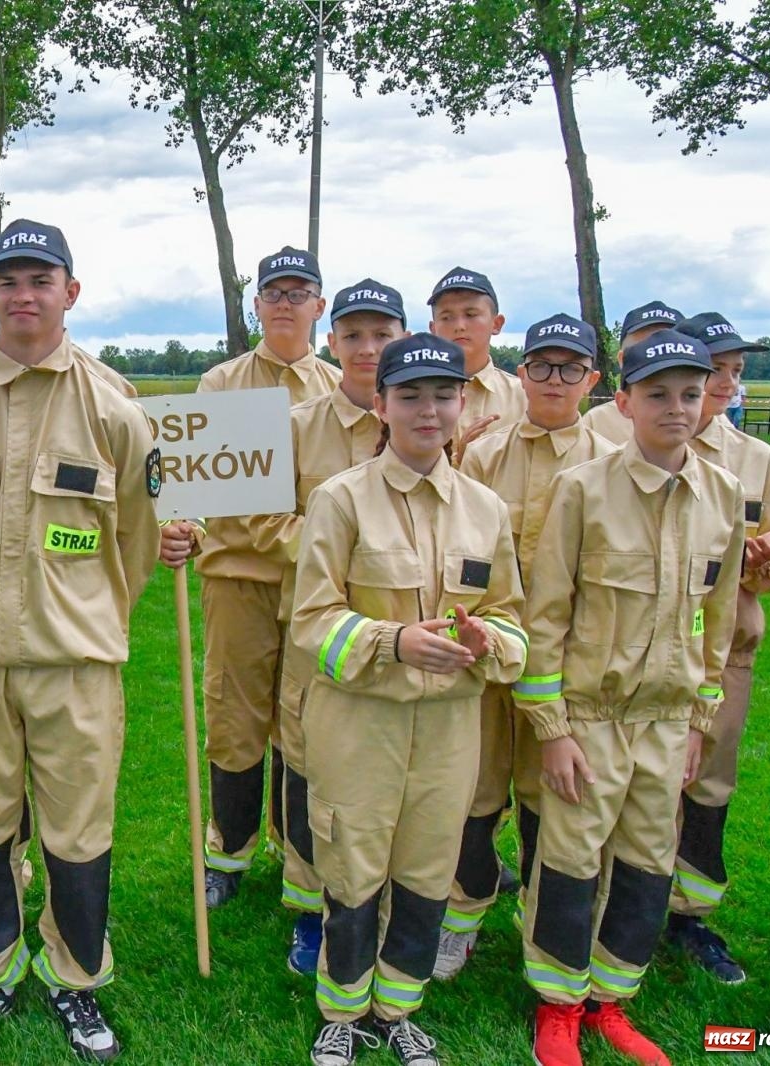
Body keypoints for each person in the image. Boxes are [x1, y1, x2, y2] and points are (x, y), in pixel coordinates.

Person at [0, 219, 159, 1061]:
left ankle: (74, 978)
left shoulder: (115, 410)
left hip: (76, 661)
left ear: (71, 291)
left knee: (78, 830)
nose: (25, 295)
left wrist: (89, 620)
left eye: (41, 280)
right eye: (9, 280)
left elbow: (133, 539)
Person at [289, 333, 526, 1066]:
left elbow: (513, 616)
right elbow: (310, 620)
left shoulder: (487, 509)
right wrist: (393, 641)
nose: (429, 410)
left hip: (450, 729)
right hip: (359, 724)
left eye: (443, 394)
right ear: (383, 405)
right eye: (411, 395)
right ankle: (343, 1007)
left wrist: (490, 641)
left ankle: (398, 1008)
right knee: (353, 866)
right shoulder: (340, 499)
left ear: (463, 403)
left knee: (427, 871)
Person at [517, 330, 744, 1066]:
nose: (676, 409)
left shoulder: (721, 498)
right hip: (591, 718)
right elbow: (545, 616)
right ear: (623, 402)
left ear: (710, 396)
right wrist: (552, 729)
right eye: (657, 394)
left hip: (668, 720)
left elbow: (719, 619)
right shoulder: (583, 490)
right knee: (572, 862)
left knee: (649, 863)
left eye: (690, 392)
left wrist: (699, 724)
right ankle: (557, 1005)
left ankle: (611, 1002)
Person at [435, 314, 617, 981]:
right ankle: (461, 918)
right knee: (475, 794)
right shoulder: (484, 452)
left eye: (570, 368)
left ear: (593, 380)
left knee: (553, 797)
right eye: (540, 365)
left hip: (570, 662)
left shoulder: (609, 464)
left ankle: (545, 923)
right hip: (487, 653)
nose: (553, 380)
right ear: (521, 373)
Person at [233, 277, 407, 976]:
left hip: (404, 632)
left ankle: (386, 901)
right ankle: (310, 909)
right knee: (309, 765)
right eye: (354, 335)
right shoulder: (294, 425)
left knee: (391, 770)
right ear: (331, 342)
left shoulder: (425, 421)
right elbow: (258, 519)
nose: (367, 349)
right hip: (319, 632)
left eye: (382, 335)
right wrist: (347, 544)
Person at [179, 245, 341, 920]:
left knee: (307, 724)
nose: (284, 302)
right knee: (236, 719)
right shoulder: (222, 385)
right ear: (256, 303)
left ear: (318, 306)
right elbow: (215, 493)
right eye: (273, 291)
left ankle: (298, 855)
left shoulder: (342, 389)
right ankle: (229, 855)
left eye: (298, 292)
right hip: (239, 578)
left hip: (314, 589)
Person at [662, 312, 770, 982]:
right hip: (649, 644)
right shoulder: (642, 445)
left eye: (737, 373)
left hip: (726, 648)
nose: (727, 383)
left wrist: (765, 561)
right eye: (718, 369)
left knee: (709, 778)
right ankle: (628, 899)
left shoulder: (758, 460)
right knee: (643, 776)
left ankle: (689, 914)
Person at [424, 267, 525, 454]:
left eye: (471, 315)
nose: (459, 326)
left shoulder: (524, 397)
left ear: (497, 323)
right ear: (433, 328)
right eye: (446, 317)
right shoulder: (412, 396)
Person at [580, 301, 682, 446]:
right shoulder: (597, 422)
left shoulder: (710, 424)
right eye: (645, 350)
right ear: (622, 360)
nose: (658, 357)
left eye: (670, 348)